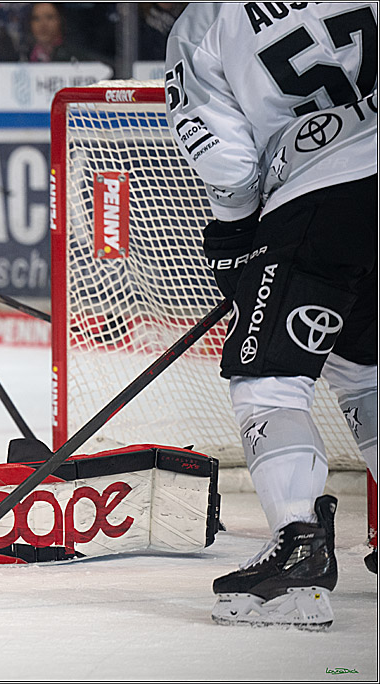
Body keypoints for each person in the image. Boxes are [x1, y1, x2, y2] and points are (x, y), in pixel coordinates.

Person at [165, 3, 377, 629]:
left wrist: (235, 238)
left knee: (267, 375)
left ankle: (299, 549)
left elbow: (224, 156)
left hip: (318, 194)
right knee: (364, 366)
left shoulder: (205, 21)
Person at [20, 2, 104, 64]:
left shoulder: (76, 56)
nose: (43, 25)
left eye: (49, 17)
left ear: (60, 20)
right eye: (36, 18)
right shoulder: (23, 55)